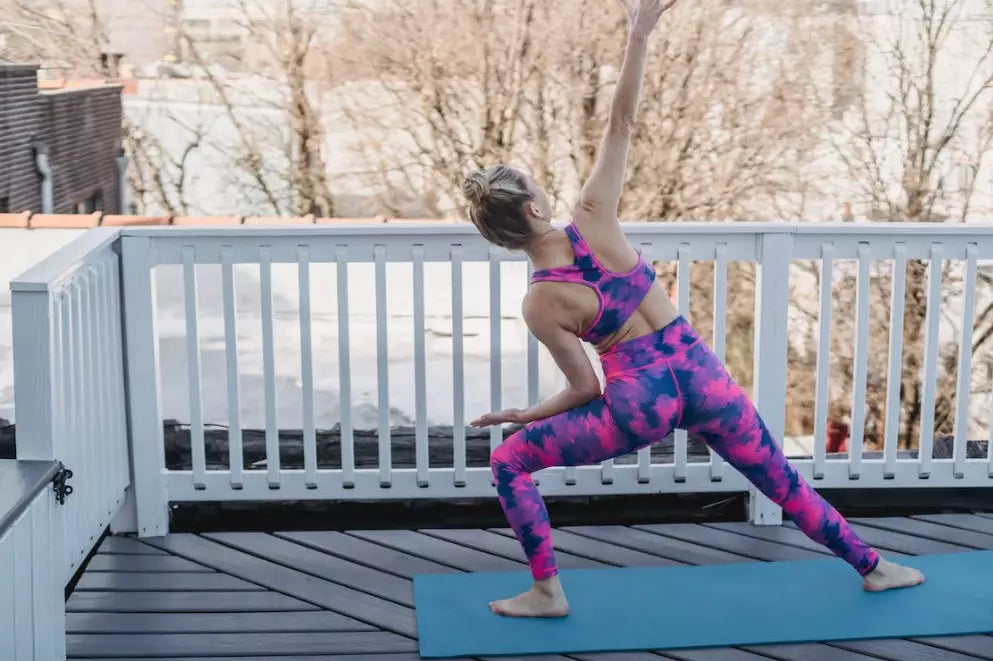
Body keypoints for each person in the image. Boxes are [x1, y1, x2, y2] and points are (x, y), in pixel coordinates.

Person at [460, 0, 925, 618]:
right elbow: (621, 124)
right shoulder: (595, 217)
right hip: (702, 375)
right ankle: (875, 567)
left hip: (639, 401)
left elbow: (582, 388)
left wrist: (524, 415)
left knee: (509, 460)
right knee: (779, 481)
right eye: (538, 188)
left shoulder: (540, 302)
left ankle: (547, 591)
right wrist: (639, 35)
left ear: (500, 238)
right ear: (536, 211)